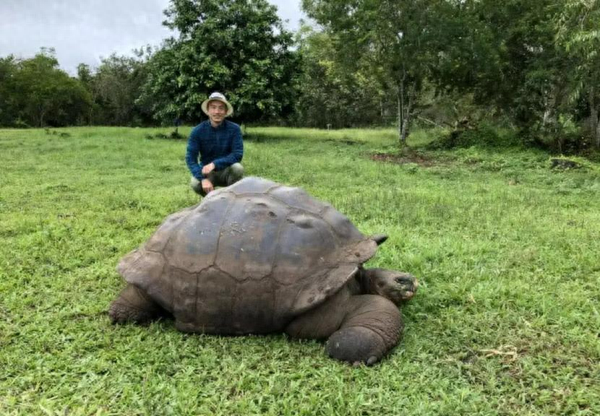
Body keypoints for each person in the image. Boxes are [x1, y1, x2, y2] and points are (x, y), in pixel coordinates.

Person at [185, 92, 244, 196]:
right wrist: (202, 179)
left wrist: (214, 164)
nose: (217, 112)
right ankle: (210, 199)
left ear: (226, 111)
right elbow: (190, 158)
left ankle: (232, 197)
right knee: (195, 183)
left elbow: (237, 154)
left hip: (227, 170)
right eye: (213, 107)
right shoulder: (197, 131)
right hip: (207, 172)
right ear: (208, 110)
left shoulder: (234, 129)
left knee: (238, 168)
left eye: (221, 108)